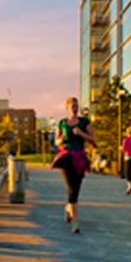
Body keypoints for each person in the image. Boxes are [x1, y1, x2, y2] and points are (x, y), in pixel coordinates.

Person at [51, 97, 95, 234]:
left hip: (80, 157)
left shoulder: (84, 122)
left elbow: (93, 139)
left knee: (76, 188)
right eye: (72, 106)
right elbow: (56, 141)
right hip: (66, 157)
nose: (75, 109)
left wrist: (81, 134)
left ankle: (68, 208)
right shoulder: (62, 123)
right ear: (67, 108)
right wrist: (61, 139)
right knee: (71, 188)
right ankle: (75, 223)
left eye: (76, 106)